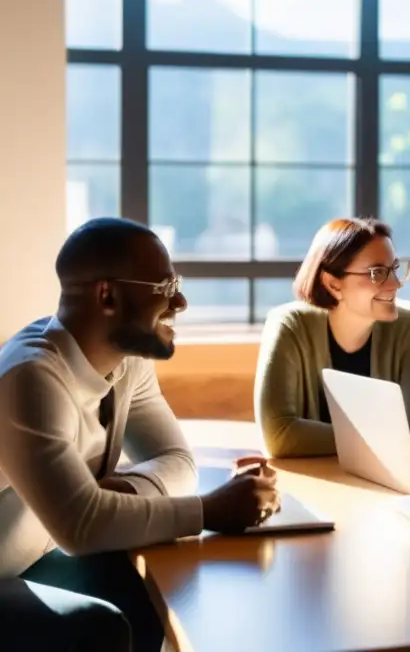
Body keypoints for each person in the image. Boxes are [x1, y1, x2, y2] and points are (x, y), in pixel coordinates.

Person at [0, 217, 280, 652]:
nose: (181, 301)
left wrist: (124, 489)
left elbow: (179, 462)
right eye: (164, 289)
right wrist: (210, 511)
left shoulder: (128, 362)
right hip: (6, 571)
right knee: (100, 625)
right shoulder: (30, 376)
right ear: (107, 295)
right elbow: (81, 526)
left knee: (164, 576)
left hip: (34, 554)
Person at [255, 218, 410, 458]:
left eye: (394, 269)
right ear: (333, 284)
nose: (395, 284)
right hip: (310, 484)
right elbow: (278, 437)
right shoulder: (289, 325)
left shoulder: (406, 323)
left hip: (385, 488)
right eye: (377, 273)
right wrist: (383, 439)